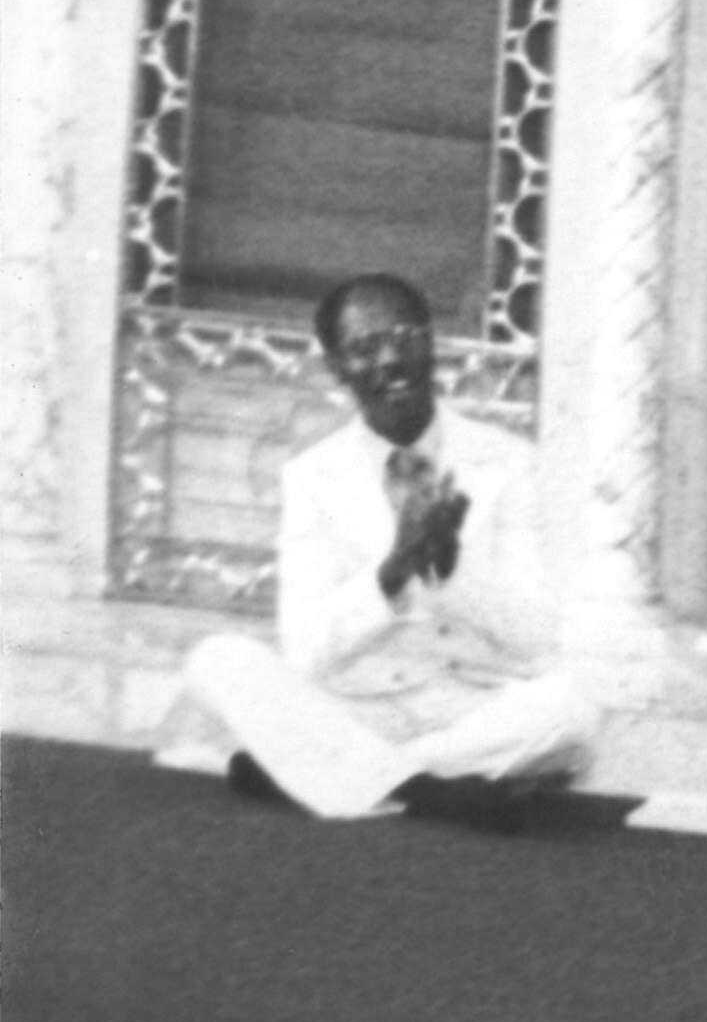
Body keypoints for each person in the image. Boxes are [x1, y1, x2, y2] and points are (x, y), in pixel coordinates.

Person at [172, 272, 605, 822]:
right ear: (336, 368)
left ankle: (336, 775)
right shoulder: (312, 475)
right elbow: (306, 648)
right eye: (364, 348)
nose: (391, 360)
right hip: (356, 704)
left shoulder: (508, 461)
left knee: (573, 711)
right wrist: (395, 568)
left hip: (466, 702)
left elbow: (537, 637)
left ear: (432, 343)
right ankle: (433, 791)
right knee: (217, 660)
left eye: (405, 338)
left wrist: (451, 573)